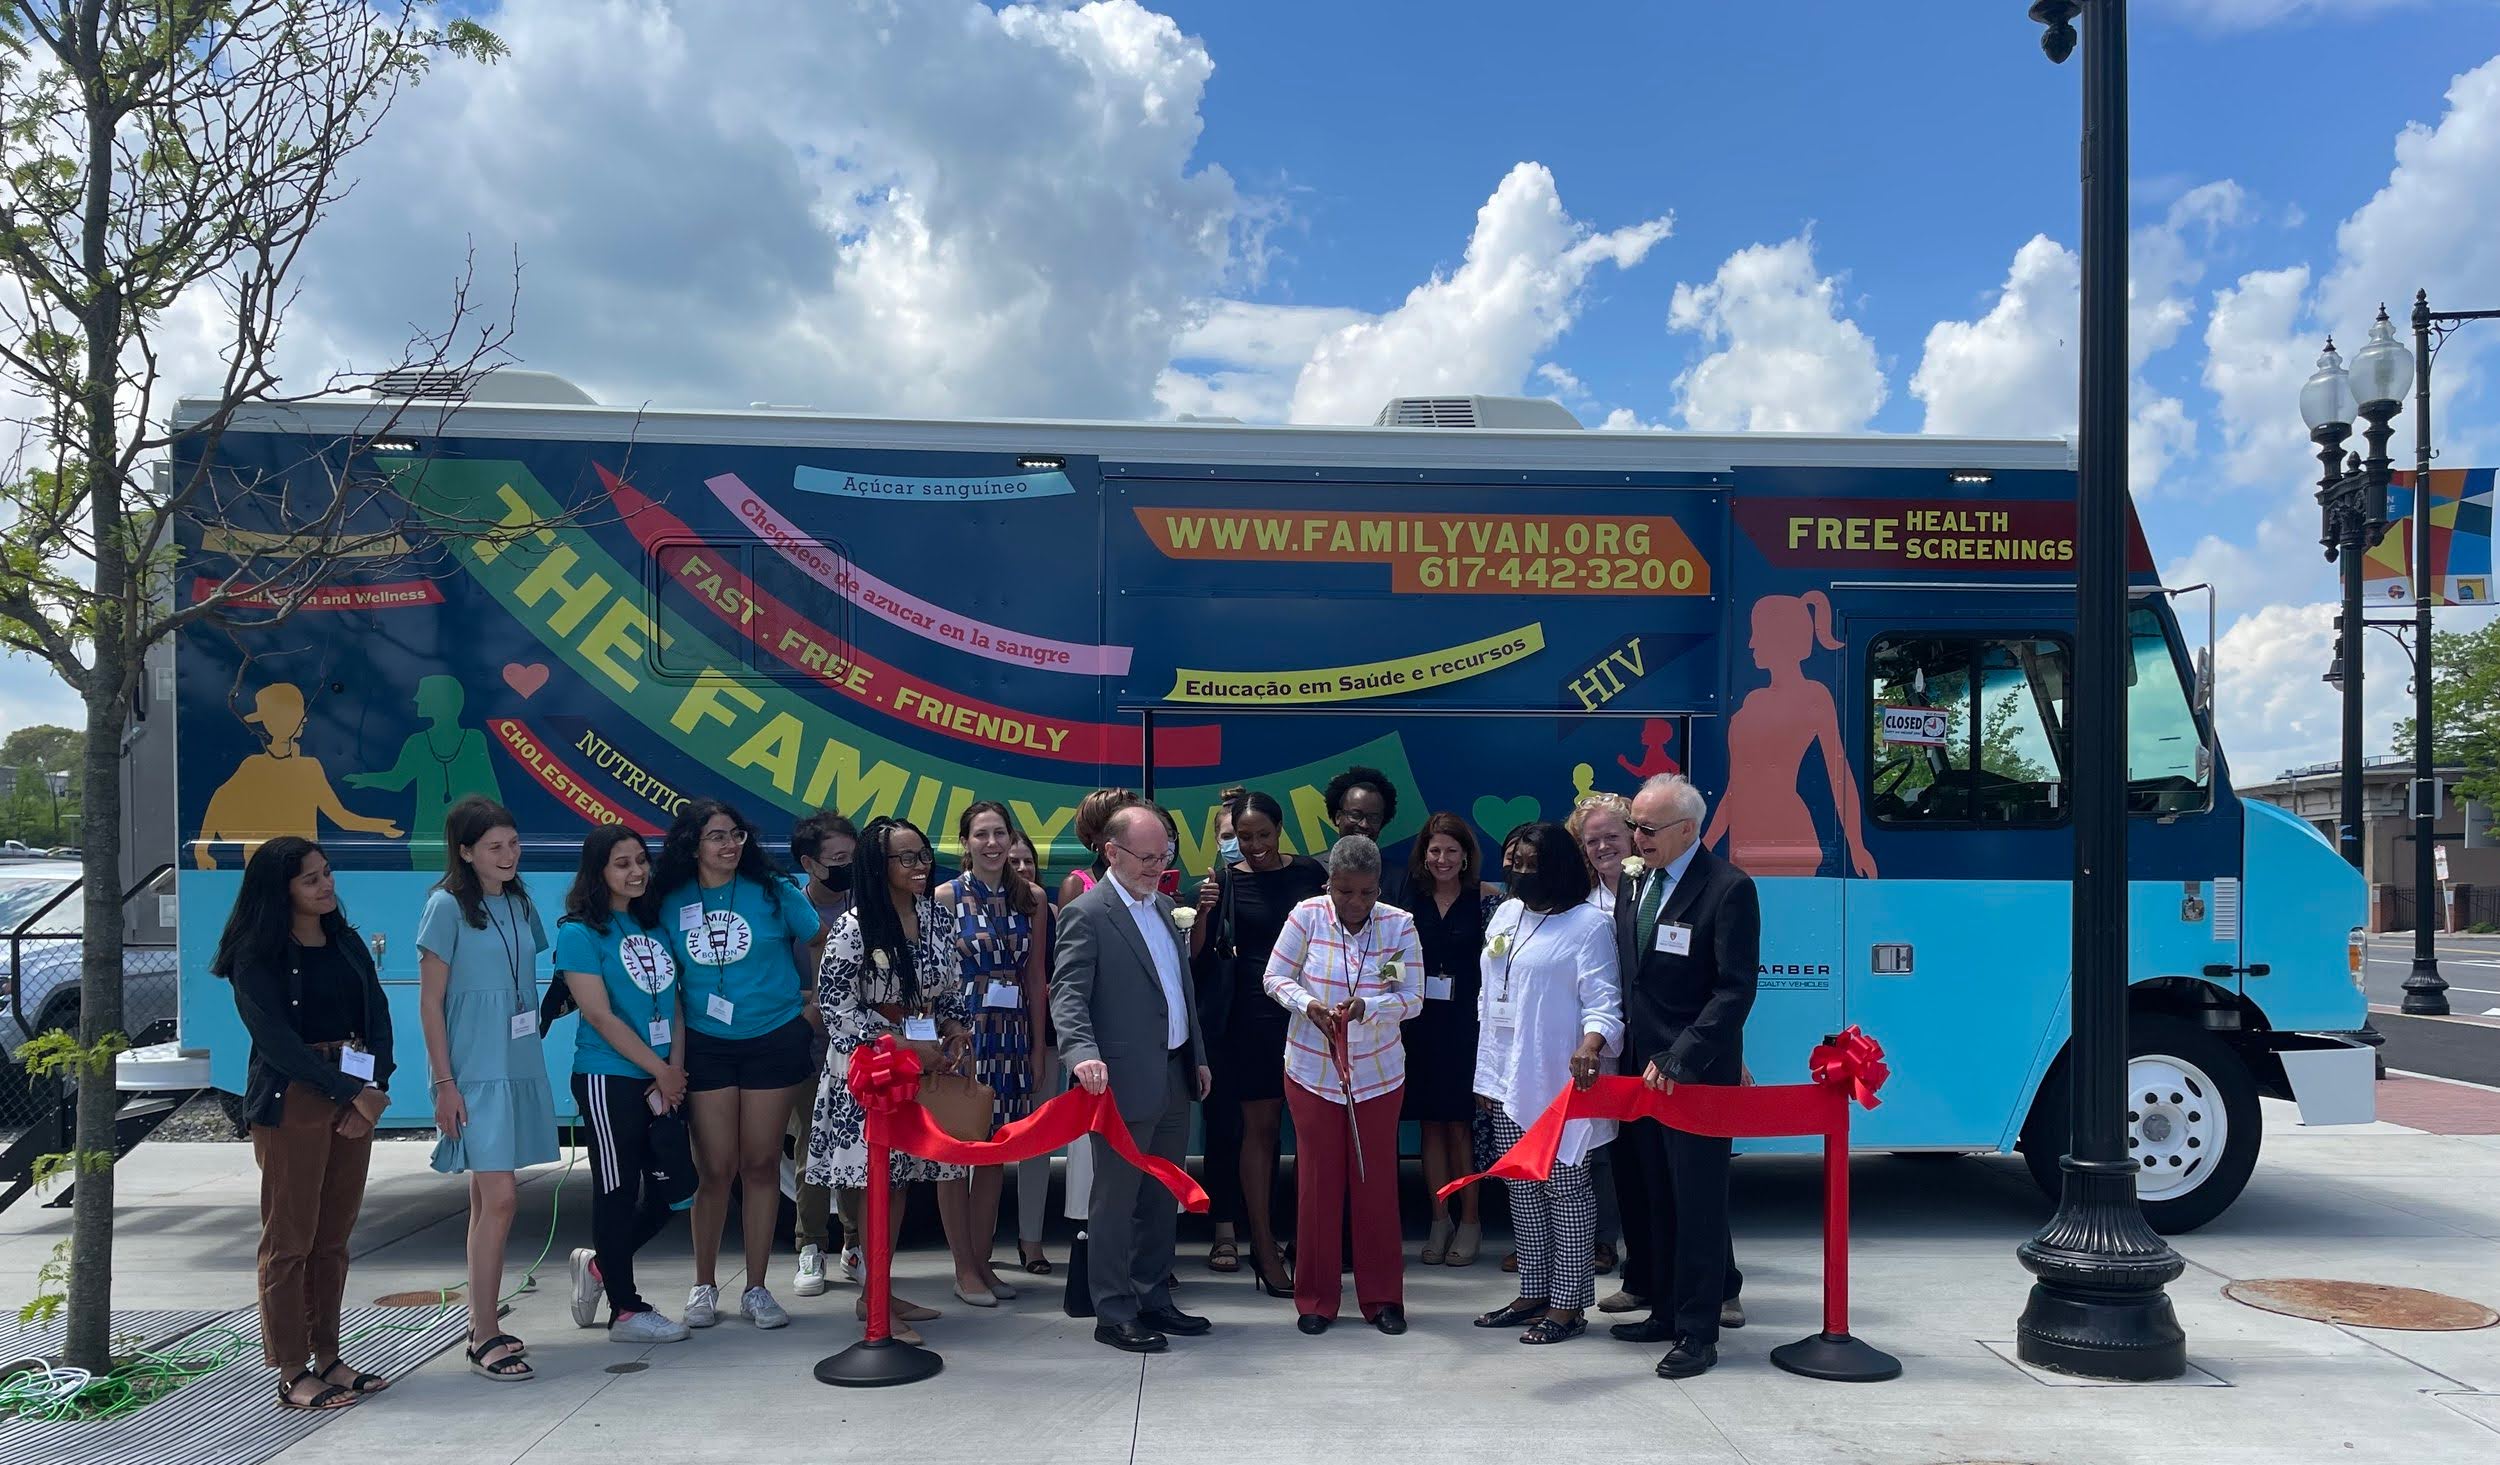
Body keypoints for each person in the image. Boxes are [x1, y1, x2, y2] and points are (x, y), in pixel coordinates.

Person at [213, 836, 395, 1411]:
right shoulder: (256, 954)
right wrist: (351, 1092)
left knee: (333, 1238)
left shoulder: (344, 939)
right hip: (295, 1096)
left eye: (327, 872)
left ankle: (329, 1356)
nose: (326, 885)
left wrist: (376, 1086)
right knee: (290, 1239)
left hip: (353, 1091)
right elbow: (275, 1043)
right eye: (311, 878)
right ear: (280, 890)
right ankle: (292, 1370)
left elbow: (377, 1011)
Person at [651, 798, 822, 1331]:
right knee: (716, 1169)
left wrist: (814, 1001)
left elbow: (821, 938)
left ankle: (756, 1288)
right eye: (716, 836)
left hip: (774, 1038)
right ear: (692, 846)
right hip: (706, 1043)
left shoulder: (774, 892)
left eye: (736, 835)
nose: (729, 845)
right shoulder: (669, 899)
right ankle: (703, 1286)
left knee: (761, 1164)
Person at [1612, 773, 1760, 1379]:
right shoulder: (1635, 883)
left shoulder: (1728, 889)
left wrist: (1684, 1054)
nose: (1637, 838)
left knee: (1697, 1204)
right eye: (1634, 827)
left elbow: (1735, 989)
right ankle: (1667, 1311)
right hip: (1639, 1073)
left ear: (1688, 831)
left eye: (1648, 829)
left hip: (1693, 1075)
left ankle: (1699, 1332)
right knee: (1655, 1196)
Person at [1052, 802, 1213, 1354]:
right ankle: (1113, 1310)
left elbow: (1180, 991)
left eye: (1164, 855)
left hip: (1172, 1073)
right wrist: (1081, 1054)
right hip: (1118, 1080)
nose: (1157, 866)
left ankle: (1153, 1296)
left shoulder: (1166, 906)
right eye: (1146, 857)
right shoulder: (1089, 913)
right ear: (1111, 852)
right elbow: (1067, 993)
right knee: (1116, 1199)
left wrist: (1198, 1057)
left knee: (1162, 1192)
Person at [805, 816, 969, 1345]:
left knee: (898, 1186)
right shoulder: (855, 926)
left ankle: (878, 1289)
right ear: (880, 865)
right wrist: (899, 1045)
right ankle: (875, 1299)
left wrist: (955, 1024)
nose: (920, 866)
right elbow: (835, 1006)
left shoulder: (934, 917)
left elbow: (949, 985)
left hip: (919, 1068)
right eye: (906, 858)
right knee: (878, 1183)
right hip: (871, 1076)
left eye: (923, 855)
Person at [417, 796, 558, 1382]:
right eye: (494, 847)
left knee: (488, 1201)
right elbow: (430, 1001)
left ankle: (482, 1322)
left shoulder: (521, 901)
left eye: (514, 844)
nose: (508, 855)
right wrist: (443, 1083)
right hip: (473, 1071)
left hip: (518, 1060)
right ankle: (482, 1334)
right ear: (466, 851)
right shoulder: (444, 906)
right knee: (499, 1200)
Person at [1261, 834, 1424, 1336]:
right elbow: (1274, 977)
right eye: (1345, 891)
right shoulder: (1306, 915)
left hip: (1377, 1075)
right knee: (1316, 1185)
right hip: (1312, 1072)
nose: (1355, 903)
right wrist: (1307, 1004)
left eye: (1366, 893)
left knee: (1375, 1184)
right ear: (1329, 882)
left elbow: (1413, 998)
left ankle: (1382, 1299)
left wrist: (1367, 1009)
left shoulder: (1399, 925)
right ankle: (1315, 1298)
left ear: (1379, 887)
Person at [1469, 821, 1622, 1344]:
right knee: (1522, 1190)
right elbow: (1490, 1001)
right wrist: (1486, 1076)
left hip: (1560, 1081)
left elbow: (1605, 1003)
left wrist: (1592, 1045)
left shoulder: (1588, 925)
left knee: (1567, 1192)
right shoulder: (1507, 914)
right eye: (1512, 861)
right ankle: (1533, 1291)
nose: (1517, 871)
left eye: (1530, 863)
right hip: (1508, 1077)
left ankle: (1569, 1306)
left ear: (1556, 866)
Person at [554, 827, 693, 1344]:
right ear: (597, 872)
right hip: (607, 1077)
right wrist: (659, 1071)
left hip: (661, 1078)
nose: (635, 872)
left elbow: (675, 1005)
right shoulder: (579, 933)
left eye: (640, 861)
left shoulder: (652, 926)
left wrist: (673, 1071)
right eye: (620, 864)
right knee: (616, 1191)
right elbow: (599, 1014)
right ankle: (626, 1311)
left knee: (673, 1193)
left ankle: (599, 1268)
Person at [1198, 789, 1323, 1299]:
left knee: (1315, 1132)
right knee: (1261, 1130)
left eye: (1262, 836)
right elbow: (1199, 958)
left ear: (1281, 829)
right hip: (1250, 1017)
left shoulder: (1311, 875)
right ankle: (1264, 1245)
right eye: (1243, 838)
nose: (1253, 847)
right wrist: (1202, 913)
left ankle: (1313, 1242)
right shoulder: (1223, 881)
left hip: (1310, 1016)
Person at [935, 802, 1052, 1302]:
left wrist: (1037, 1047)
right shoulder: (943, 898)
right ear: (964, 842)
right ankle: (963, 1269)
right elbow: (934, 975)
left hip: (1011, 1034)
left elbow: (1036, 977)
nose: (991, 843)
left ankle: (983, 1264)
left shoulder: (1032, 897)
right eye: (980, 834)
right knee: (954, 1156)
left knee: (993, 1157)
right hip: (963, 1036)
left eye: (999, 833)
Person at [1401, 813, 1500, 1266]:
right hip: (1419, 1026)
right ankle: (1439, 1219)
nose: (1442, 859)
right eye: (1434, 850)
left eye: (1451, 851)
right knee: (1430, 1126)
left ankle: (1471, 1220)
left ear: (1466, 856)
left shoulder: (1487, 900)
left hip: (1468, 1026)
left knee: (1462, 1127)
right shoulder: (1408, 901)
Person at [1565, 791, 1635, 1280]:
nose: (1604, 846)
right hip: (1601, 1039)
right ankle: (1601, 1242)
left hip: (1654, 1038)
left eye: (1613, 835)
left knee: (1645, 1150)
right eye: (1593, 840)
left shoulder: (1654, 889)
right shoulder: (1580, 900)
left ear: (1634, 835)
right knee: (1602, 1148)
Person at [788, 811, 857, 1294]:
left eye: (852, 858)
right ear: (810, 864)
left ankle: (855, 1244)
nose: (847, 867)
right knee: (811, 1150)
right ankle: (811, 1246)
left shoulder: (867, 906)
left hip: (857, 1053)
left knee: (857, 1150)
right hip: (807, 1050)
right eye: (837, 860)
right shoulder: (792, 913)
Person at [1188, 787, 1247, 1274]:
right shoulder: (1199, 892)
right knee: (1223, 1130)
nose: (1237, 844)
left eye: (1245, 836)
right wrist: (1204, 912)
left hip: (1274, 1025)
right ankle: (1223, 1228)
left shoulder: (1289, 883)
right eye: (1228, 836)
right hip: (1221, 1028)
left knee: (1265, 1132)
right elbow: (1190, 963)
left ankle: (1271, 1228)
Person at [1004, 828, 1059, 1272]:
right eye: (1014, 861)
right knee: (979, 1144)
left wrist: (1039, 1045)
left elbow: (1046, 977)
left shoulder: (1047, 909)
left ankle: (1032, 1240)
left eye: (1029, 862)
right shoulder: (964, 905)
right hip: (986, 1040)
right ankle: (974, 1249)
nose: (1022, 869)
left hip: (1042, 1040)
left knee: (1036, 1145)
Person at [1057, 787, 1139, 907]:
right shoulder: (1075, 885)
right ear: (1093, 835)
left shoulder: (1145, 878)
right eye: (1114, 827)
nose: (1126, 833)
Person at [1323, 764, 1397, 845]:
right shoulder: (1310, 858)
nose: (1364, 825)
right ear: (1338, 817)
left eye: (1374, 818)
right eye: (1355, 815)